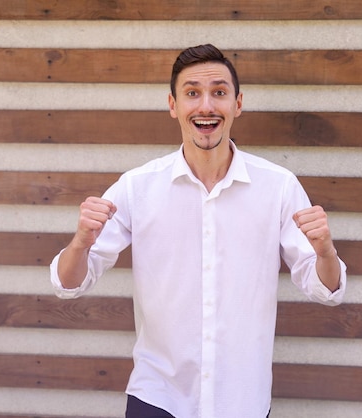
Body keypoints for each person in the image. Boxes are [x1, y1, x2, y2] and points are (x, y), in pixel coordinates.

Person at [50, 44, 347, 418]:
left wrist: (325, 253)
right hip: (158, 398)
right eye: (192, 93)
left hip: (242, 400)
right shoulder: (136, 187)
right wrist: (80, 243)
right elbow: (70, 283)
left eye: (219, 92)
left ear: (237, 104)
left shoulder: (279, 187)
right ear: (173, 106)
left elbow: (326, 290)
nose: (206, 106)